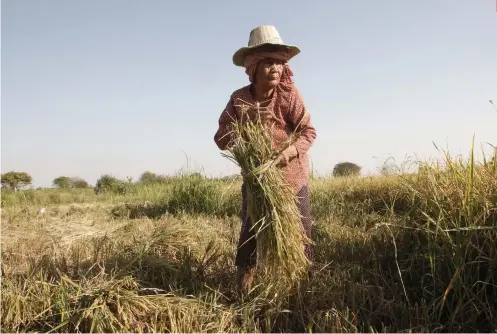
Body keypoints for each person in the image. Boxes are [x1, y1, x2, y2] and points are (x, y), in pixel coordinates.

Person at [214, 25, 317, 293]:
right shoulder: (239, 100)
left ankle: (301, 291)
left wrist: (288, 152)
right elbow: (220, 140)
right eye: (268, 63)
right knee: (250, 233)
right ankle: (243, 293)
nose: (276, 69)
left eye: (279, 63)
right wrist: (245, 123)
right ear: (254, 68)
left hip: (292, 178)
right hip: (257, 181)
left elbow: (309, 131)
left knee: (301, 233)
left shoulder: (288, 94)